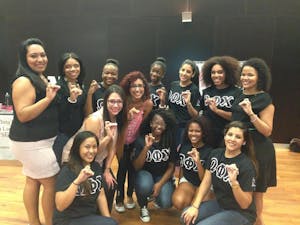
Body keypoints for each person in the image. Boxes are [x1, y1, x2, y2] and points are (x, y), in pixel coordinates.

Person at [9, 38, 60, 225]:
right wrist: (47, 100)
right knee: (50, 183)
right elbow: (22, 114)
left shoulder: (40, 77)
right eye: (33, 56)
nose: (40, 59)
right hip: (31, 143)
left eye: (43, 55)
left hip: (39, 142)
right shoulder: (23, 80)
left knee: (33, 180)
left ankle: (34, 222)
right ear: (24, 58)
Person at [62, 84, 127, 212]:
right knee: (94, 185)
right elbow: (90, 152)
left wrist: (107, 170)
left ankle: (103, 217)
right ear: (105, 101)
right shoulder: (95, 119)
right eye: (112, 101)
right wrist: (108, 137)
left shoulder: (115, 118)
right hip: (76, 159)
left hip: (96, 161)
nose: (115, 105)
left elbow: (113, 148)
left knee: (110, 184)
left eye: (119, 102)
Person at [181, 121, 257, 225]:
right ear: (225, 136)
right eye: (230, 134)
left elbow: (245, 204)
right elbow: (206, 182)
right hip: (221, 204)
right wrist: (195, 206)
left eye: (238, 137)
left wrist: (234, 183)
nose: (232, 139)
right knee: (186, 216)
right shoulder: (215, 154)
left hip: (241, 212)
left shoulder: (246, 165)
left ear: (244, 142)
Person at [231, 58, 276, 225]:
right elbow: (235, 117)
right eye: (243, 74)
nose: (245, 78)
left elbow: (267, 130)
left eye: (250, 75)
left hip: (259, 151)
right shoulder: (239, 93)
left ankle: (257, 222)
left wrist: (251, 114)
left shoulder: (265, 99)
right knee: (242, 189)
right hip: (241, 149)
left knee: (256, 193)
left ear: (260, 77)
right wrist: (215, 110)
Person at [53, 131, 118, 225]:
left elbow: (100, 195)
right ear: (77, 148)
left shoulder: (96, 167)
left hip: (88, 217)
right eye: (87, 147)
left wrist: (108, 218)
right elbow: (60, 206)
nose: (91, 151)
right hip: (68, 220)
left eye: (94, 147)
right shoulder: (67, 171)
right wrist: (77, 181)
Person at [115, 71, 153, 213]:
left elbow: (144, 126)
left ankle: (130, 196)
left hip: (135, 143)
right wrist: (128, 119)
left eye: (140, 86)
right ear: (128, 88)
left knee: (133, 170)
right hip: (120, 142)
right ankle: (119, 198)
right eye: (134, 86)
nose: (137, 89)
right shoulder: (123, 102)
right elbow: (118, 128)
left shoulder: (147, 104)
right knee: (121, 169)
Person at [132, 109, 178, 222]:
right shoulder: (141, 140)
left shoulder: (169, 139)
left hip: (162, 175)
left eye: (162, 124)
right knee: (144, 185)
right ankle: (143, 206)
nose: (159, 126)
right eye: (156, 122)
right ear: (151, 123)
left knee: (166, 203)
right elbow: (137, 167)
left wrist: (159, 184)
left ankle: (157, 196)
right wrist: (146, 147)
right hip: (145, 174)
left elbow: (172, 166)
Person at [53, 52, 90, 165]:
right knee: (60, 166)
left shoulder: (82, 85)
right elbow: (61, 114)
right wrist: (71, 99)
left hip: (79, 134)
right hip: (63, 135)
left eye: (76, 66)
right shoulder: (59, 87)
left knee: (76, 167)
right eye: (68, 66)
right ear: (62, 69)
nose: (73, 69)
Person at [172, 116, 214, 210]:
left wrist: (198, 162)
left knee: (199, 207)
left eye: (197, 131)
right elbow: (182, 167)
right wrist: (179, 183)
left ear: (203, 133)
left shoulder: (210, 151)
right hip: (188, 181)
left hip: (204, 184)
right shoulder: (184, 146)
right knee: (178, 201)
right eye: (191, 130)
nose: (193, 134)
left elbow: (204, 179)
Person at [200, 56, 241, 147]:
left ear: (228, 73)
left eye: (220, 72)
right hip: (208, 135)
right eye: (213, 72)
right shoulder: (207, 92)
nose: (216, 75)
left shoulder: (237, 92)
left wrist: (217, 110)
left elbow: (236, 117)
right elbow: (202, 113)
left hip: (227, 137)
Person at [161, 59, 201, 148]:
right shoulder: (173, 85)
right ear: (179, 70)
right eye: (183, 70)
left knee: (179, 151)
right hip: (170, 125)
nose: (184, 73)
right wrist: (163, 99)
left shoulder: (194, 90)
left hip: (183, 128)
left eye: (188, 71)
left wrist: (188, 103)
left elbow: (196, 115)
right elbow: (168, 106)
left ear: (192, 74)